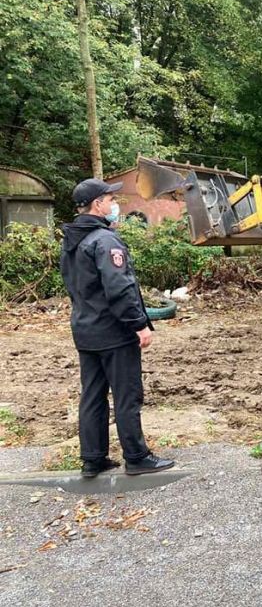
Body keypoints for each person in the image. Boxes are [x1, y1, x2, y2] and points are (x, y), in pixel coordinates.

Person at [60, 178, 174, 477]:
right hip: (114, 333)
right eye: (111, 200)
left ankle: (93, 459)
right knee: (127, 395)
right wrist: (138, 325)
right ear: (97, 204)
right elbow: (119, 288)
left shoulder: (71, 240)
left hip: (85, 330)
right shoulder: (104, 240)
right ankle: (136, 457)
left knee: (93, 395)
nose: (115, 205)